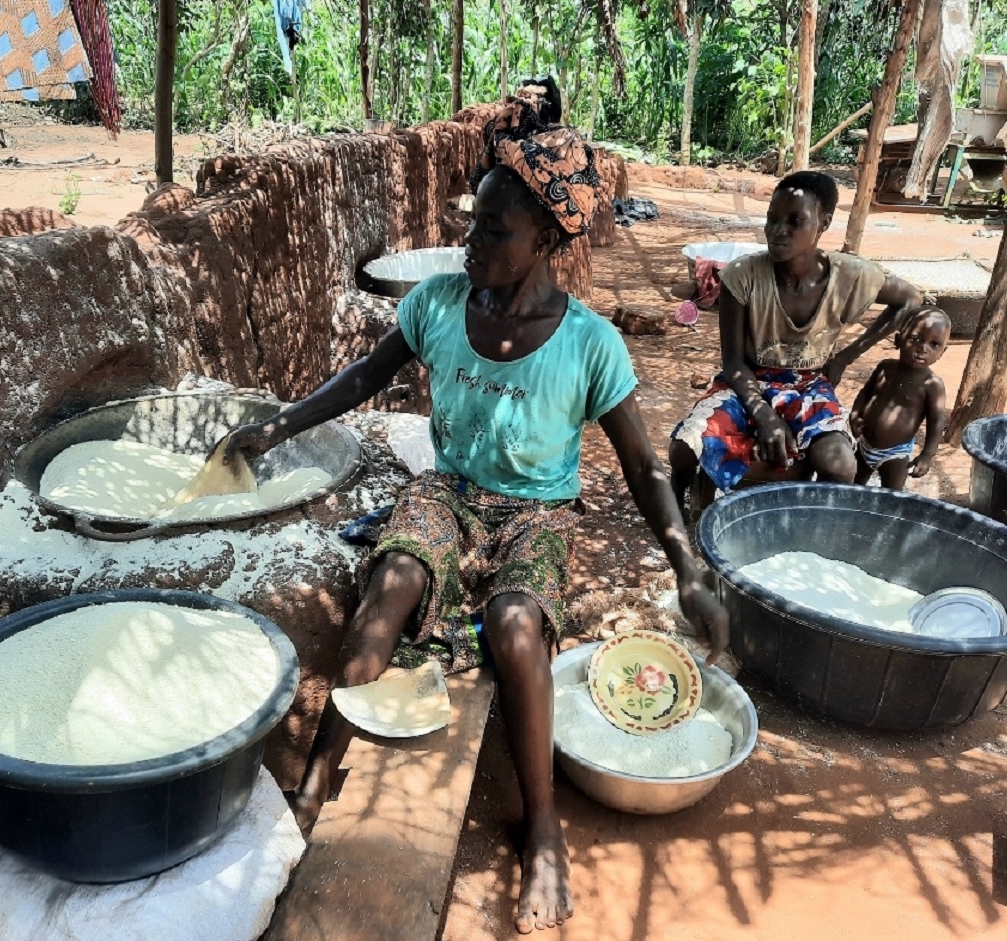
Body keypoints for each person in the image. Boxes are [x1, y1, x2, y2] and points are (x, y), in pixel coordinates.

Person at [221, 100, 729, 935]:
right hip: (449, 490)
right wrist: (275, 426)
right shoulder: (439, 305)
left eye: (493, 231)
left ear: (547, 244)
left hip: (539, 510)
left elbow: (642, 465)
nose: (469, 242)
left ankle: (543, 827)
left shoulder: (590, 344)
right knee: (387, 587)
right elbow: (360, 379)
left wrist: (689, 569)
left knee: (517, 627)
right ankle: (315, 781)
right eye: (472, 223)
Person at [668, 170, 923, 512]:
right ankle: (675, 493)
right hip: (749, 381)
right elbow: (734, 363)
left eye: (795, 221)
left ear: (824, 223)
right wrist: (764, 415)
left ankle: (804, 523)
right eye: (772, 219)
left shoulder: (849, 275)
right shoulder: (742, 276)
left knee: (841, 465)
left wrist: (847, 355)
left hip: (809, 385)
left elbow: (910, 299)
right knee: (683, 450)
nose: (778, 231)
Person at [849, 306, 950, 490]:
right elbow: (865, 393)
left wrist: (927, 455)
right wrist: (855, 415)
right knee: (853, 488)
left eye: (934, 344)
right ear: (898, 339)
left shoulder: (932, 384)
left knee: (892, 495)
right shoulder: (885, 367)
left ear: (943, 352)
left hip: (895, 453)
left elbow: (936, 423)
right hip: (865, 445)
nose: (922, 348)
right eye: (915, 339)